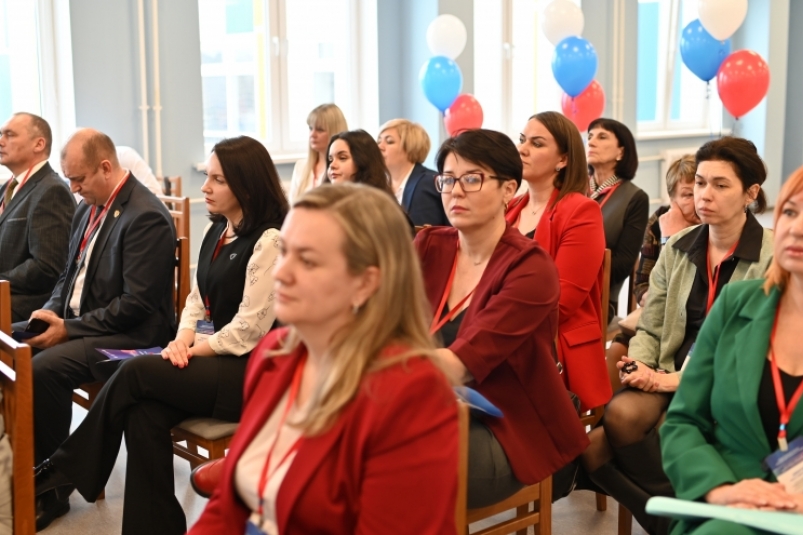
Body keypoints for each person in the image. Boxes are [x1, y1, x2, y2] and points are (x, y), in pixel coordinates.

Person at [33, 135, 288, 534]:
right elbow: (195, 301)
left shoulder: (270, 240)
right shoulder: (218, 230)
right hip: (211, 360)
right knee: (143, 412)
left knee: (137, 372)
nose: (205, 187)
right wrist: (182, 340)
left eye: (218, 180)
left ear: (248, 185)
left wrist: (191, 351)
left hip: (249, 373)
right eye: (208, 176)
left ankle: (61, 470)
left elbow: (248, 330)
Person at [187, 184, 458, 535]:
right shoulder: (275, 354)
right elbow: (230, 503)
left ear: (365, 283)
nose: (281, 273)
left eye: (308, 261)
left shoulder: (410, 394)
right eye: (284, 252)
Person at [581, 137, 774, 535]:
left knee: (608, 440)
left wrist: (665, 381)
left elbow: (748, 350)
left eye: (720, 185)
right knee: (599, 440)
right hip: (669, 368)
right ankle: (688, 520)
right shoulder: (680, 247)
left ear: (750, 193)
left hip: (725, 384)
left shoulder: (771, 258)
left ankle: (688, 519)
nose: (704, 194)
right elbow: (651, 324)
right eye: (700, 183)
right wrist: (642, 365)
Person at [416, 129, 589, 509]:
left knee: (387, 458)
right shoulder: (428, 246)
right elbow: (379, 326)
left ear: (508, 188)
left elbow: (461, 364)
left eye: (472, 179)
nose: (455, 192)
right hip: (427, 406)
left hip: (506, 426)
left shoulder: (530, 267)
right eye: (448, 179)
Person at [16, 128, 177, 529]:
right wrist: (48, 314)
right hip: (87, 322)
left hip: (134, 338)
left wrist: (69, 329)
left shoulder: (146, 216)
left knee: (44, 368)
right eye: (69, 179)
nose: (72, 188)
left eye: (79, 179)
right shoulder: (87, 207)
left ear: (105, 168)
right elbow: (66, 277)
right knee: (9, 341)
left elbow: (136, 306)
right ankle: (19, 465)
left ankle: (52, 489)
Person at [660, 167, 803, 535]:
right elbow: (683, 421)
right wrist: (719, 489)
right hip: (729, 502)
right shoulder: (736, 303)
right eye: (790, 212)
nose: (797, 228)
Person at [506, 111, 609, 411]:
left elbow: (560, 302)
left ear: (563, 159)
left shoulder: (581, 211)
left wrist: (494, 315)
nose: (522, 149)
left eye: (536, 143)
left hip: (552, 344)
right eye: (522, 140)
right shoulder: (510, 208)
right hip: (507, 333)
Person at [606, 155, 700, 388]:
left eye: (700, 190)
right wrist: (656, 297)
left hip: (694, 326)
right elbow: (642, 285)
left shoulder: (712, 228)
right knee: (618, 350)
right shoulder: (659, 220)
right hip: (657, 319)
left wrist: (671, 240)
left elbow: (690, 296)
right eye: (688, 195)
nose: (698, 201)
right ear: (672, 200)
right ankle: (608, 407)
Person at [0, 112, 75, 321]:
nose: (1, 141)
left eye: (10, 135)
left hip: (28, 303)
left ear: (39, 144)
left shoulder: (51, 191)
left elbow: (46, 267)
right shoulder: (8, 188)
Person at [587, 118, 649, 320]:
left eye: (602, 137)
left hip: (598, 299)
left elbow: (623, 264)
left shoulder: (635, 198)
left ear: (621, 152)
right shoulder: (574, 187)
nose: (591, 142)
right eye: (590, 136)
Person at [377, 118, 448, 226]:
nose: (379, 147)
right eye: (378, 141)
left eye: (389, 141)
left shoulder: (429, 182)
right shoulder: (379, 186)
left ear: (410, 147)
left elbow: (429, 233)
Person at [288, 103, 347, 203]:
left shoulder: (342, 169)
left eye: (320, 130)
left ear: (335, 132)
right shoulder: (301, 167)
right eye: (310, 128)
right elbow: (291, 205)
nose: (312, 134)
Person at [326, 129, 393, 194]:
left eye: (342, 158)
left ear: (362, 161)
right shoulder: (325, 199)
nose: (332, 165)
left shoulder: (376, 200)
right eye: (330, 160)